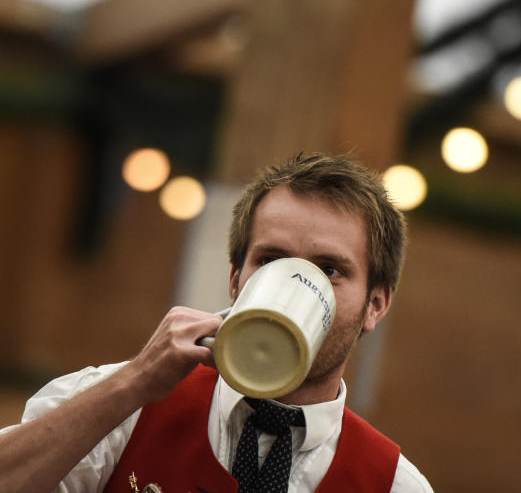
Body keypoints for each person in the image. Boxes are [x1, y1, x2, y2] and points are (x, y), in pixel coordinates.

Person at [0, 153, 432, 493]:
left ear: (375, 305)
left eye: (330, 271)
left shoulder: (392, 484)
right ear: (235, 280)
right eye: (271, 261)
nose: (295, 286)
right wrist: (132, 383)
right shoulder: (124, 408)